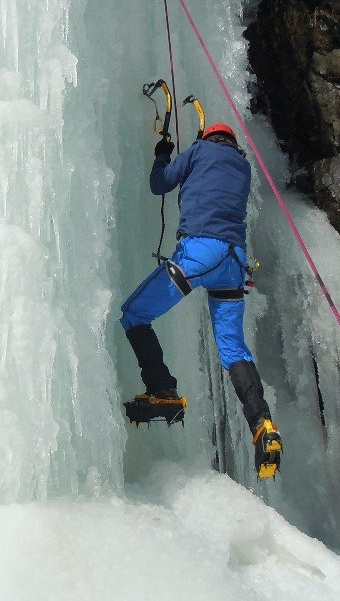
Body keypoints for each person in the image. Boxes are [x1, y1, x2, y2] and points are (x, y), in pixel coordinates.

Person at [119, 122, 282, 478]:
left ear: (207, 139)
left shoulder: (198, 152)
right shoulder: (243, 166)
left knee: (133, 314)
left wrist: (163, 154)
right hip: (234, 261)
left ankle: (162, 389)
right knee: (233, 349)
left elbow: (159, 184)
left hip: (200, 253)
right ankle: (262, 425)